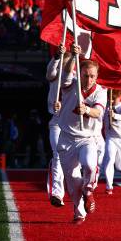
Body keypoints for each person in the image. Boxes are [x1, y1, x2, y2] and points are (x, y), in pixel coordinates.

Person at [58, 48, 106, 225]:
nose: (89, 79)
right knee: (71, 182)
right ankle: (79, 213)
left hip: (87, 138)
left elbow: (98, 112)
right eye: (86, 75)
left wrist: (86, 110)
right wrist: (72, 57)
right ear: (80, 73)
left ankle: (89, 190)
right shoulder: (71, 84)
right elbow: (65, 75)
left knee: (89, 164)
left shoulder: (100, 91)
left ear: (97, 76)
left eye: (92, 76)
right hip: (67, 138)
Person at [46, 43, 75, 207]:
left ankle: (79, 189)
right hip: (57, 122)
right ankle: (57, 193)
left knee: (72, 160)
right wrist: (57, 57)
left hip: (73, 124)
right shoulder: (55, 76)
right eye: (64, 63)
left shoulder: (77, 81)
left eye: (68, 64)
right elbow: (50, 71)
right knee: (58, 154)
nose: (66, 67)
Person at [102, 90, 121, 195]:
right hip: (111, 138)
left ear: (120, 97)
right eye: (110, 98)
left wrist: (114, 115)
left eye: (114, 98)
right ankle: (109, 186)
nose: (112, 100)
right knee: (109, 159)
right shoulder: (106, 107)